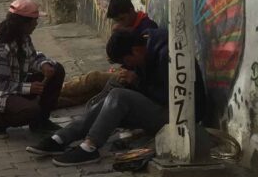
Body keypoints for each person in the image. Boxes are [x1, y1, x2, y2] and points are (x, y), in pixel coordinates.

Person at [28, 28, 205, 165]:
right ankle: (61, 138)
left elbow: (172, 98)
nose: (127, 66)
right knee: (111, 97)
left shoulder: (168, 55)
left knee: (119, 97)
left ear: (136, 51)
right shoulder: (145, 48)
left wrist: (136, 82)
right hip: (157, 105)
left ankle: (90, 147)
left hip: (178, 115)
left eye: (126, 61)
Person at [0, 0, 66, 138]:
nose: (36, 24)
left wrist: (43, 65)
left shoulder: (23, 37)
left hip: (16, 82)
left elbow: (32, 57)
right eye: (34, 21)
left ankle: (41, 122)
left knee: (57, 69)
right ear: (23, 24)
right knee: (32, 110)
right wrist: (28, 88)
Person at [56, 0, 160, 108]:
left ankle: (54, 90)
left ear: (131, 11)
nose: (121, 23)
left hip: (134, 75)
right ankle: (52, 100)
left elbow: (140, 57)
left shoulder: (147, 27)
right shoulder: (128, 25)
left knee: (94, 78)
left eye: (122, 19)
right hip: (128, 72)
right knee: (91, 93)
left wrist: (123, 30)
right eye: (117, 20)